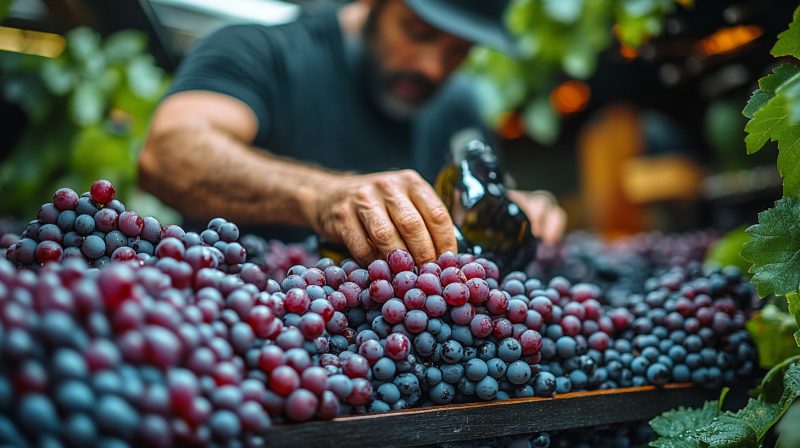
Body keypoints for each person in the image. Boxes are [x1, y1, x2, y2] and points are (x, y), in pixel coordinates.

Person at [139, 0, 566, 266]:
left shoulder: (460, 104)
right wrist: (320, 197)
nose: (433, 67)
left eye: (459, 50)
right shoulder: (256, 52)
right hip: (240, 334)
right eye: (419, 32)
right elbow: (170, 153)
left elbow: (466, 207)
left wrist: (503, 213)